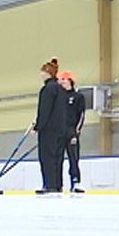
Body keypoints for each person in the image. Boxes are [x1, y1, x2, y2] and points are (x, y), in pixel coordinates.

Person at [32, 58, 68, 195]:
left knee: (47, 157)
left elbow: (44, 111)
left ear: (48, 73)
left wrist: (38, 127)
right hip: (61, 129)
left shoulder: (47, 89)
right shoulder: (61, 89)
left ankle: (50, 185)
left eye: (42, 72)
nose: (41, 74)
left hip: (49, 130)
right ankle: (58, 185)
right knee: (58, 157)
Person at [58, 70, 86, 194]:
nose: (61, 82)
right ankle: (57, 184)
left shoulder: (78, 97)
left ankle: (75, 182)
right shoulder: (59, 98)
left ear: (69, 80)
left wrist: (77, 131)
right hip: (59, 132)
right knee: (57, 159)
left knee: (73, 158)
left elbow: (81, 115)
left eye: (63, 79)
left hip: (71, 132)